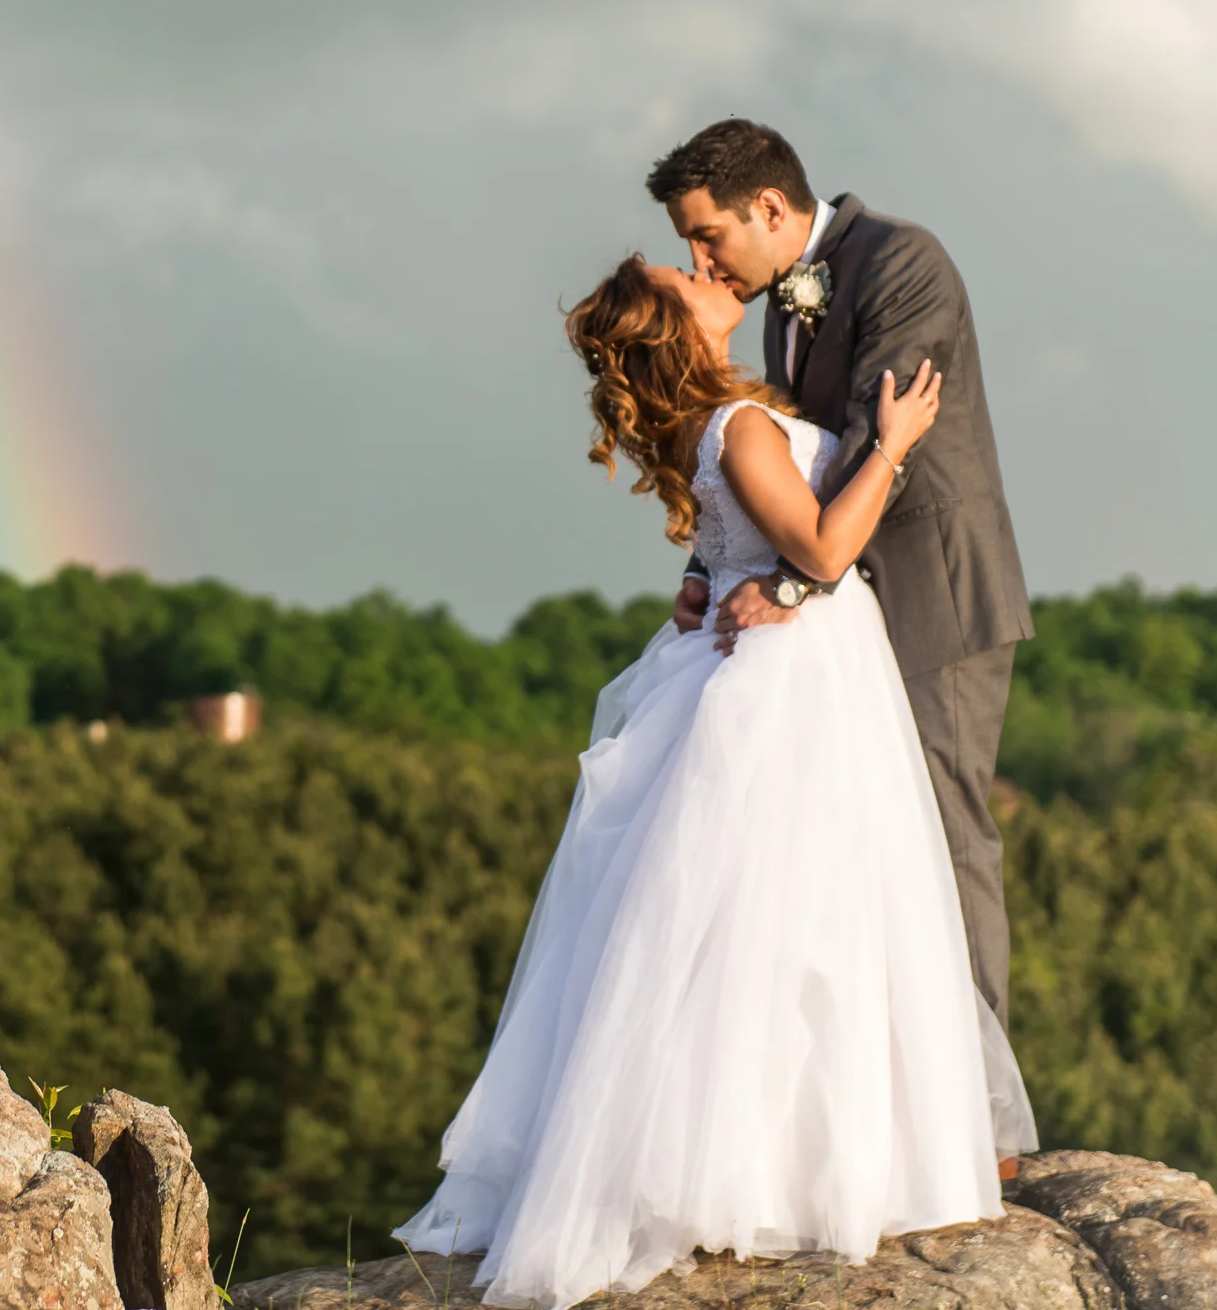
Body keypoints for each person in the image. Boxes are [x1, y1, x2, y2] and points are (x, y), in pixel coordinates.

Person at [391, 253, 1034, 1310]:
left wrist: (714, 572)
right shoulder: (736, 427)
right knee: (780, 925)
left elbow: (747, 545)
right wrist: (896, 447)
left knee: (793, 923)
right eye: (679, 274)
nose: (701, 269)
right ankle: (775, 1173)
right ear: (677, 327)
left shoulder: (734, 413)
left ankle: (793, 1157)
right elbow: (823, 549)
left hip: (792, 670)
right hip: (790, 687)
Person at [652, 119, 1030, 1031]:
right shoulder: (781, 294)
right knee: (850, 848)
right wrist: (713, 562)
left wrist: (784, 582)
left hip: (930, 597)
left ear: (770, 206)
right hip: (839, 613)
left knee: (942, 835)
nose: (703, 262)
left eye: (709, 234)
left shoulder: (903, 262)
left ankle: (979, 1111)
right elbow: (784, 460)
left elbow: (875, 439)